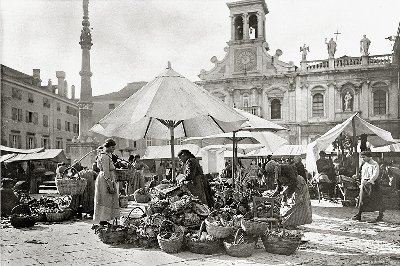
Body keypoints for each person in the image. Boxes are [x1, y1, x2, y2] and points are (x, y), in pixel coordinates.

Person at [265, 160, 312, 228]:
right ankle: (290, 222)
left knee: (296, 203)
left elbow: (293, 182)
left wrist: (286, 193)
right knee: (287, 204)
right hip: (291, 186)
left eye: (273, 172)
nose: (273, 174)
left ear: (275, 168)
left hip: (298, 184)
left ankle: (291, 223)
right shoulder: (277, 174)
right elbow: (279, 186)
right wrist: (274, 195)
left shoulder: (287, 168)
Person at [352, 151, 384, 222]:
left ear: (369, 157)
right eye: (362, 157)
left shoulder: (375, 164)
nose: (363, 159)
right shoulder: (364, 165)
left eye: (364, 157)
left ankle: (380, 215)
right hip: (365, 183)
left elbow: (376, 174)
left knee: (376, 199)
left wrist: (370, 181)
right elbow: (363, 175)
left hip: (373, 183)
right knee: (362, 199)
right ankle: (359, 214)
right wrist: (362, 183)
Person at [93, 138, 120, 225]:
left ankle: (105, 219)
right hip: (104, 180)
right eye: (112, 147)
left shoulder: (107, 155)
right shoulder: (104, 156)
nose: (113, 149)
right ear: (107, 147)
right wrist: (110, 185)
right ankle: (102, 219)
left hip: (106, 178)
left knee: (108, 199)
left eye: (114, 147)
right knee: (105, 199)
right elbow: (106, 172)